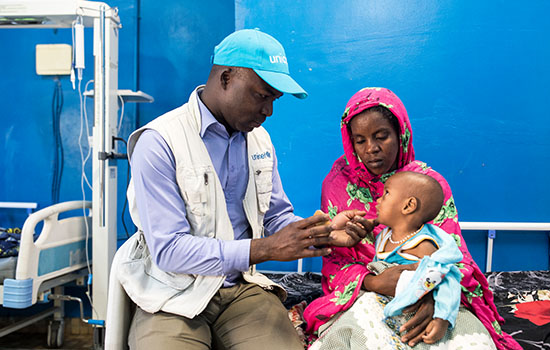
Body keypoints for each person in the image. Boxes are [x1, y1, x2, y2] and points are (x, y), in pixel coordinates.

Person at [113, 29, 369, 350]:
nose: (269, 111)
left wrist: (322, 233)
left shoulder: (258, 140)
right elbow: (169, 251)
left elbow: (277, 218)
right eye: (262, 96)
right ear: (225, 78)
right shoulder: (159, 142)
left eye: (274, 100)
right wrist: (266, 249)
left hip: (239, 289)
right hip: (172, 294)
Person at [303, 87, 522, 349]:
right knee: (357, 336)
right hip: (364, 292)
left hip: (434, 290)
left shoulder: (427, 186)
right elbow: (335, 262)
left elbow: (454, 258)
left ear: (401, 134)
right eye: (359, 140)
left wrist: (428, 295)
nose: (371, 149)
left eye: (381, 136)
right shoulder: (338, 183)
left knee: (469, 338)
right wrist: (374, 283)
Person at [371, 171, 464, 344]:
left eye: (386, 194)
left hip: (414, 307)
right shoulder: (384, 235)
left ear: (408, 206)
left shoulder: (422, 245)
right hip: (385, 299)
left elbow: (447, 279)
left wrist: (442, 318)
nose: (378, 200)